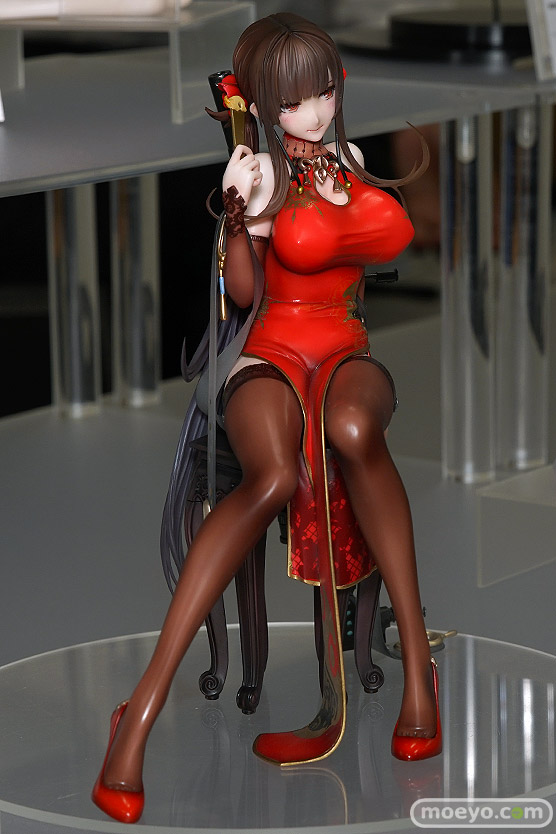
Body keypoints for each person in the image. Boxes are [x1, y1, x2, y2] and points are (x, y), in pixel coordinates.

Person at [92, 13, 441, 824]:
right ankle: (140, 710)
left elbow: (392, 240)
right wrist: (238, 212)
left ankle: (419, 673)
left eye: (324, 90)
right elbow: (245, 296)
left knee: (353, 430)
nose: (314, 112)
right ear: (260, 106)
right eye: (293, 101)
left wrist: (334, 193)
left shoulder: (353, 161)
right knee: (274, 473)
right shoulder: (259, 172)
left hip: (345, 345)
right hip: (271, 351)